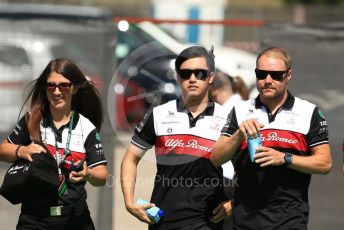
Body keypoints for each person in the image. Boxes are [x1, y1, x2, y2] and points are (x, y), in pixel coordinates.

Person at [211, 47, 332, 229]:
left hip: (290, 222)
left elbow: (325, 164)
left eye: (276, 75)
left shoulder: (309, 112)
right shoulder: (240, 110)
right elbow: (216, 158)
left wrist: (284, 158)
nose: (268, 81)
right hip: (244, 223)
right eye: (262, 74)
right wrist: (238, 135)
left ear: (288, 75)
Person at [121, 45, 231, 230]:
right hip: (162, 220)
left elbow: (249, 167)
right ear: (178, 76)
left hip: (208, 221)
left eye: (200, 73)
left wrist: (235, 201)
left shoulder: (228, 117)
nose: (192, 79)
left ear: (211, 76)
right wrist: (129, 202)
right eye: (186, 73)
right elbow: (130, 159)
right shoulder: (159, 114)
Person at [0, 58, 108, 230]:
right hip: (35, 218)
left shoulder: (86, 127)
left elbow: (102, 176)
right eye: (51, 86)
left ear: (74, 88)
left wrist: (88, 173)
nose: (57, 92)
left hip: (75, 218)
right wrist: (22, 150)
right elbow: (3, 149)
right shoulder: (32, 119)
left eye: (63, 86)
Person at [209, 71, 249, 230]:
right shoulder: (246, 105)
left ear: (214, 91)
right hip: (237, 180)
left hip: (228, 179)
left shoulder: (225, 113)